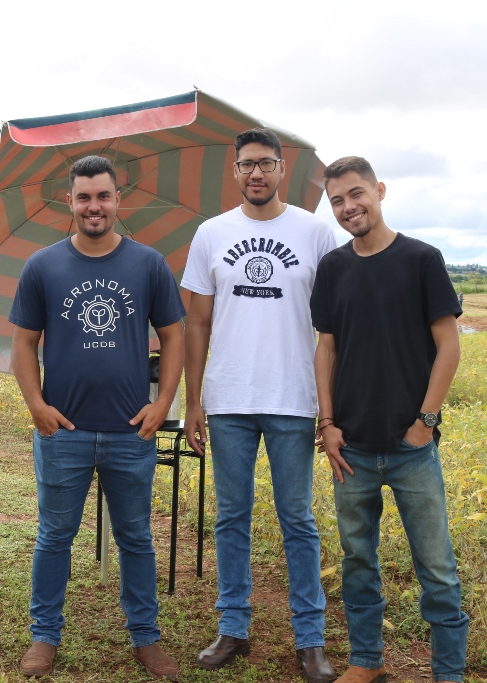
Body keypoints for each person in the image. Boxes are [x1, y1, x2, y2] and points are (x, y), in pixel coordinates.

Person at [9, 155, 186, 681]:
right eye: (84, 197)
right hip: (63, 432)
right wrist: (36, 405)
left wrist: (163, 402)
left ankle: (145, 638)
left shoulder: (148, 263)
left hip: (131, 431)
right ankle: (44, 636)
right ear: (70, 201)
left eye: (103, 196)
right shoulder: (43, 266)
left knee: (136, 537)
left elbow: (173, 336)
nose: (94, 206)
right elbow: (23, 343)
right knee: (54, 537)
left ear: (117, 200)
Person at [181, 128, 337, 682]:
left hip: (293, 397)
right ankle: (233, 628)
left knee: (298, 519)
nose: (256, 173)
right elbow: (197, 323)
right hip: (229, 399)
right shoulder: (211, 233)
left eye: (266, 164)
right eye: (247, 164)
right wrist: (193, 400)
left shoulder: (315, 232)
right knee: (231, 518)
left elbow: (332, 328)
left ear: (281, 169)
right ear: (235, 171)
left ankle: (310, 640)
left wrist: (329, 407)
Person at [311, 156, 467, 683]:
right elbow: (326, 349)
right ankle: (366, 661)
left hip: (411, 447)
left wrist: (425, 421)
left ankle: (448, 673)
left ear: (379, 190)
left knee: (436, 568)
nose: (348, 207)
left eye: (356, 194)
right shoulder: (333, 268)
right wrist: (327, 424)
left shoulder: (422, 259)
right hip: (351, 447)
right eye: (337, 200)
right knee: (357, 560)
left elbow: (448, 346)